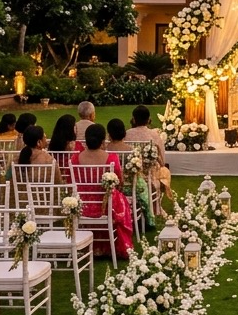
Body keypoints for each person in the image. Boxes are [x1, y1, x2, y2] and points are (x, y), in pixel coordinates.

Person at [72, 123, 134, 259]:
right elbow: (119, 182)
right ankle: (109, 246)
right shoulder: (111, 158)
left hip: (83, 206)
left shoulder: (75, 158)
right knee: (121, 200)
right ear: (102, 140)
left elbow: (73, 183)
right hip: (105, 207)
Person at [125, 106, 172, 201]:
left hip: (130, 175)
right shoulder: (154, 135)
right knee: (164, 171)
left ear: (133, 119)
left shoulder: (126, 134)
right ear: (148, 119)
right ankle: (155, 204)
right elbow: (162, 161)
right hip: (150, 176)